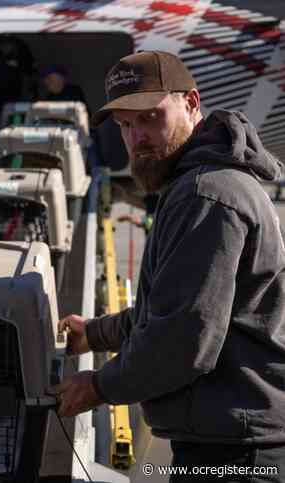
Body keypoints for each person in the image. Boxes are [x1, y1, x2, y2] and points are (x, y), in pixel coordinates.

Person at [54, 51, 285, 480]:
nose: (137, 137)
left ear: (191, 103)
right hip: (233, 440)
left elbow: (181, 339)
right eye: (126, 125)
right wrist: (94, 333)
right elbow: (166, 307)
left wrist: (99, 386)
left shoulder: (206, 194)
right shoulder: (203, 182)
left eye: (150, 117)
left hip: (236, 455)